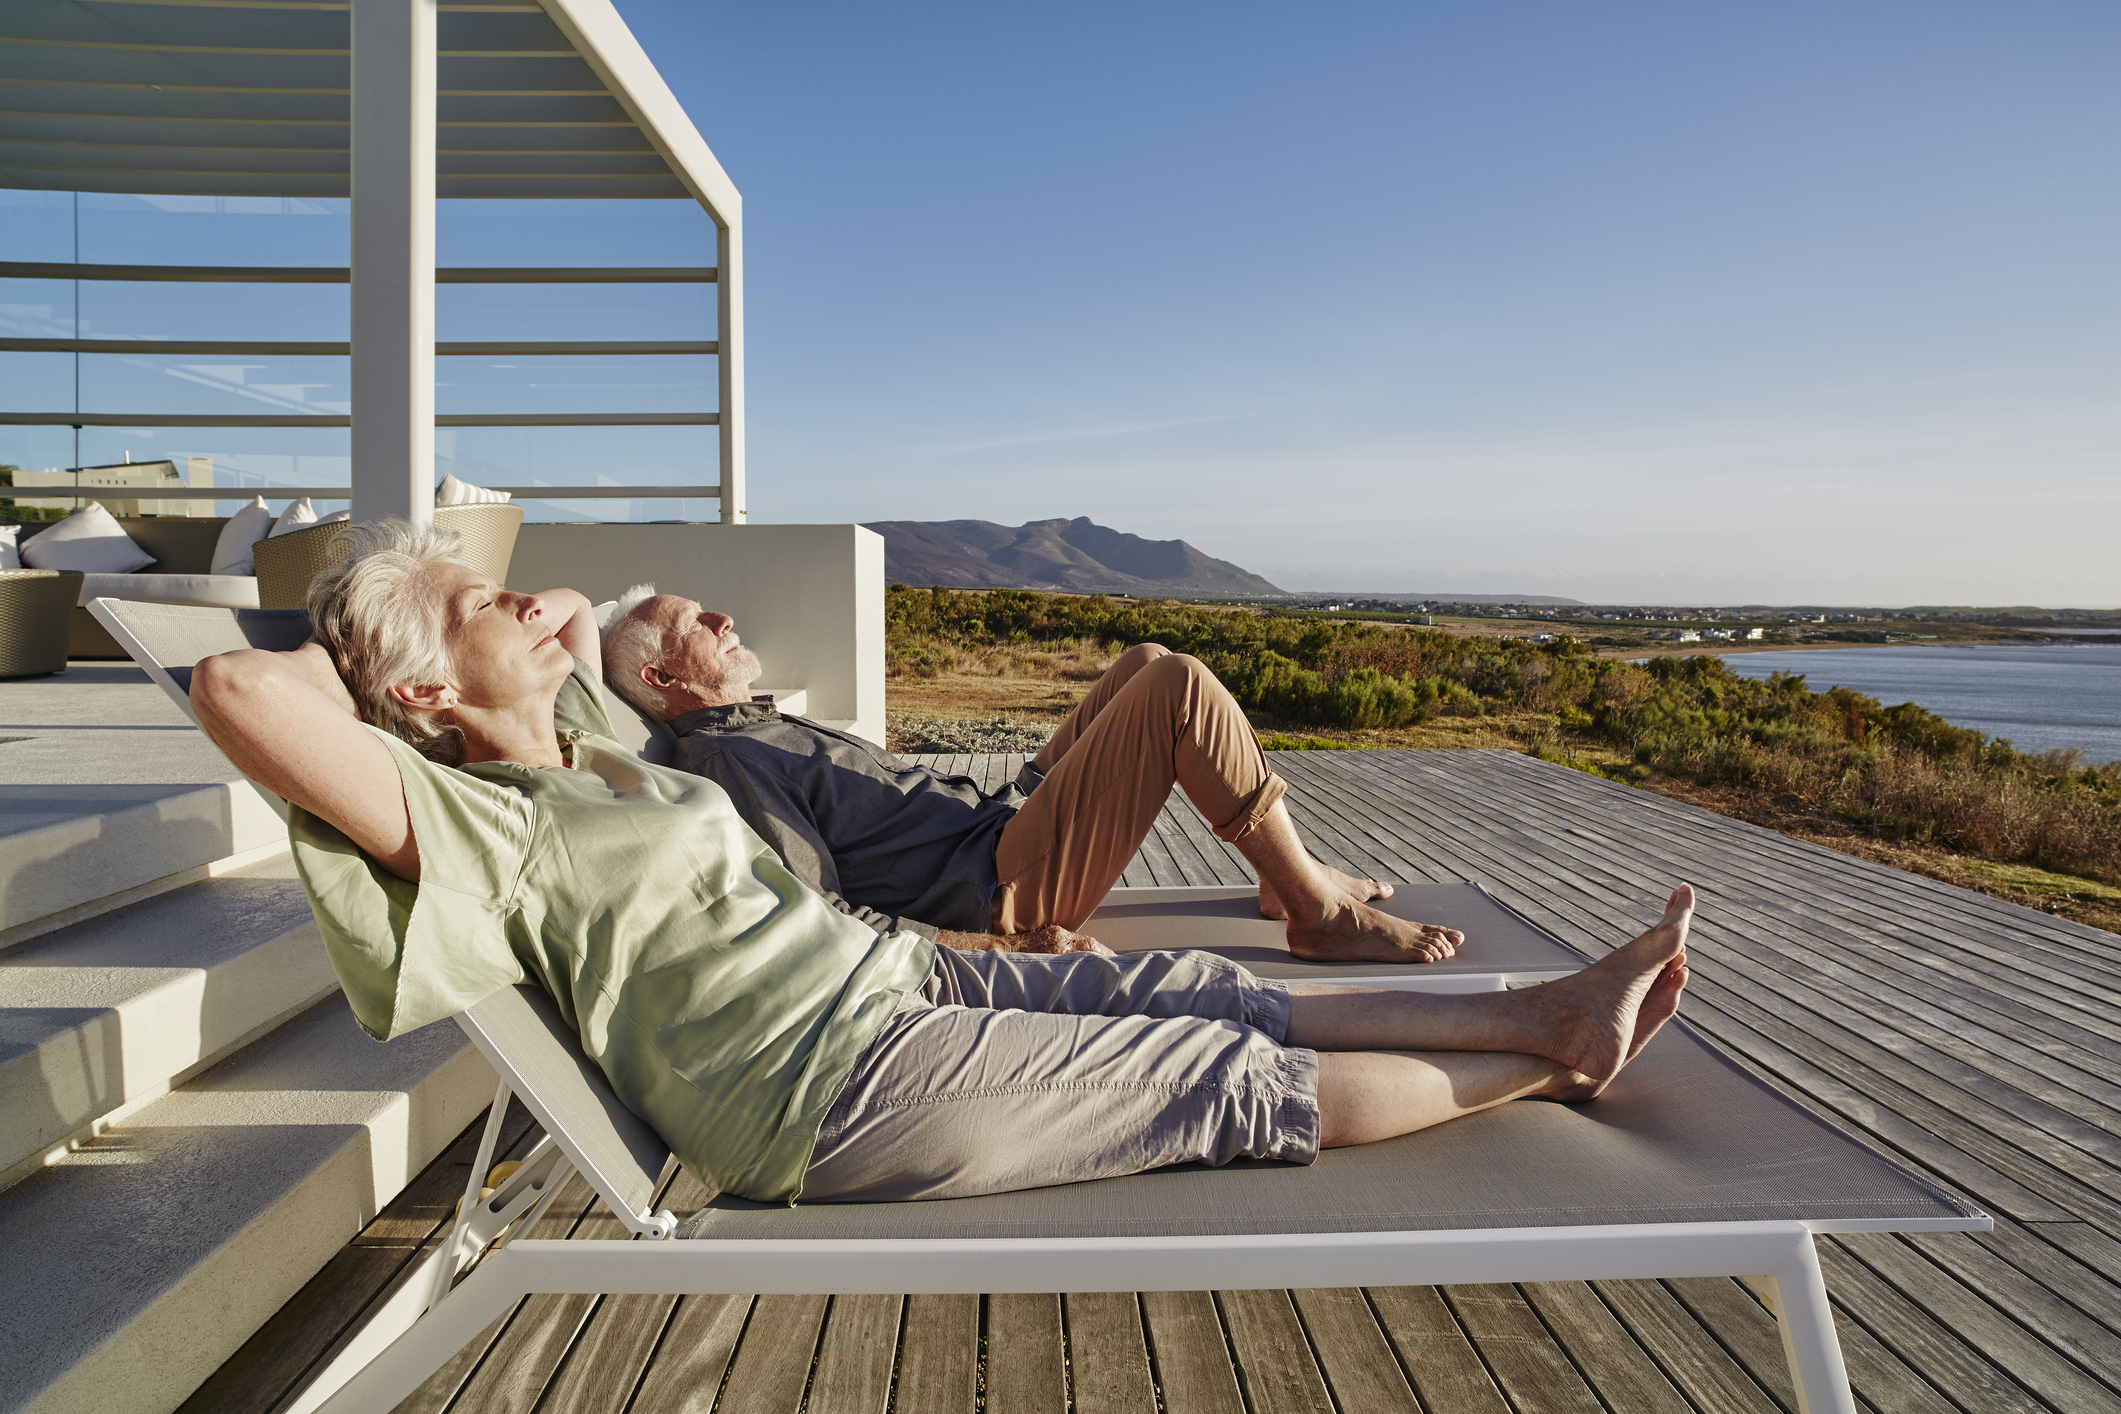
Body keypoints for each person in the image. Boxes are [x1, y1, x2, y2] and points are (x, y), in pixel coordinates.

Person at [190, 520, 1692, 1206]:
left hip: (889, 978)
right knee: (1209, 1075)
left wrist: (467, 616)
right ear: (420, 698)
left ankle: (1538, 996)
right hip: (818, 1085)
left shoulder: (598, 754)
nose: (526, 599)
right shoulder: (479, 818)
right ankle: (1549, 1050)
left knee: (1201, 987)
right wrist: (368, 644)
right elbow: (237, 693)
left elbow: (583, 612)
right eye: (481, 606)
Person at [601, 588, 1469, 964]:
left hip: (993, 819)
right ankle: (1315, 913)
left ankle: (1288, 876)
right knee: (1179, 688)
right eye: (692, 623)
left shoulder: (751, 725)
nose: (721, 617)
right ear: (663, 681)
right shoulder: (729, 760)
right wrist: (1008, 948)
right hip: (998, 883)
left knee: (1145, 658)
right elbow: (815, 916)